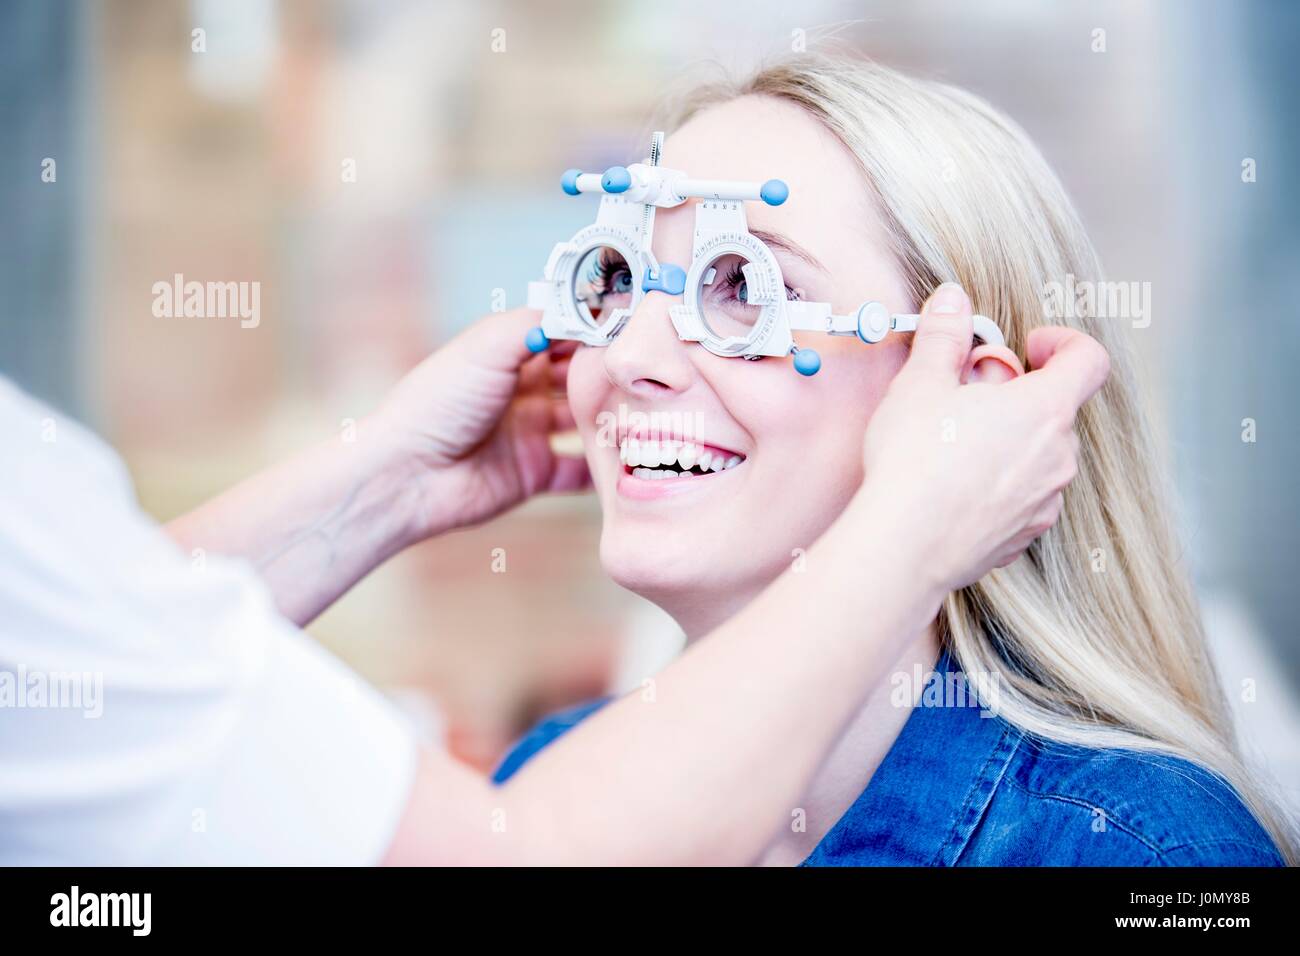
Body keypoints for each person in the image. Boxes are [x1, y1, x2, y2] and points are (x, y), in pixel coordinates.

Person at [490, 55, 1294, 865]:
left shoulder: (1140, 853)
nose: (629, 356)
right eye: (620, 278)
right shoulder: (545, 791)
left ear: (973, 405)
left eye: (743, 286)